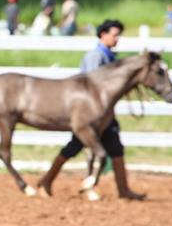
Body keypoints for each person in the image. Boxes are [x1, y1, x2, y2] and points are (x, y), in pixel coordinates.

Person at [37, 19, 146, 200]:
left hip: (103, 115)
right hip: (90, 116)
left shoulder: (109, 56)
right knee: (77, 147)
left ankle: (122, 189)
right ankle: (52, 181)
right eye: (114, 34)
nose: (117, 39)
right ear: (103, 34)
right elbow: (93, 85)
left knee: (114, 148)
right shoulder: (95, 57)